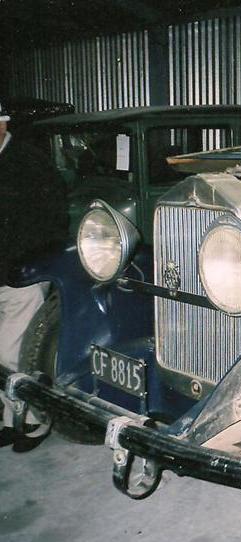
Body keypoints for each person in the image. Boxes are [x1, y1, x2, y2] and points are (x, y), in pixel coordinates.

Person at [0, 99, 67, 451]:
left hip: (19, 277)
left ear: (3, 123)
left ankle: (36, 421)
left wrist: (24, 260)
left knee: (16, 354)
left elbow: (52, 220)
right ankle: (12, 420)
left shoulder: (28, 164)